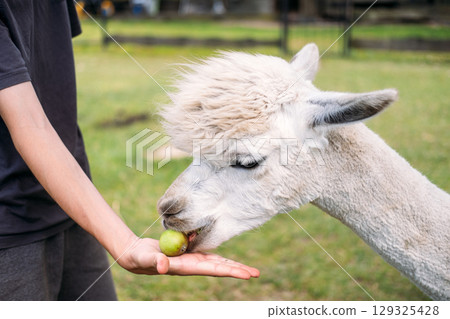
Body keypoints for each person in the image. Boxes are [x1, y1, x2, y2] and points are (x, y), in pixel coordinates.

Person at [0, 0, 259, 301]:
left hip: (74, 209)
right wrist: (125, 242)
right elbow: (31, 126)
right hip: (11, 228)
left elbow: (49, 81)